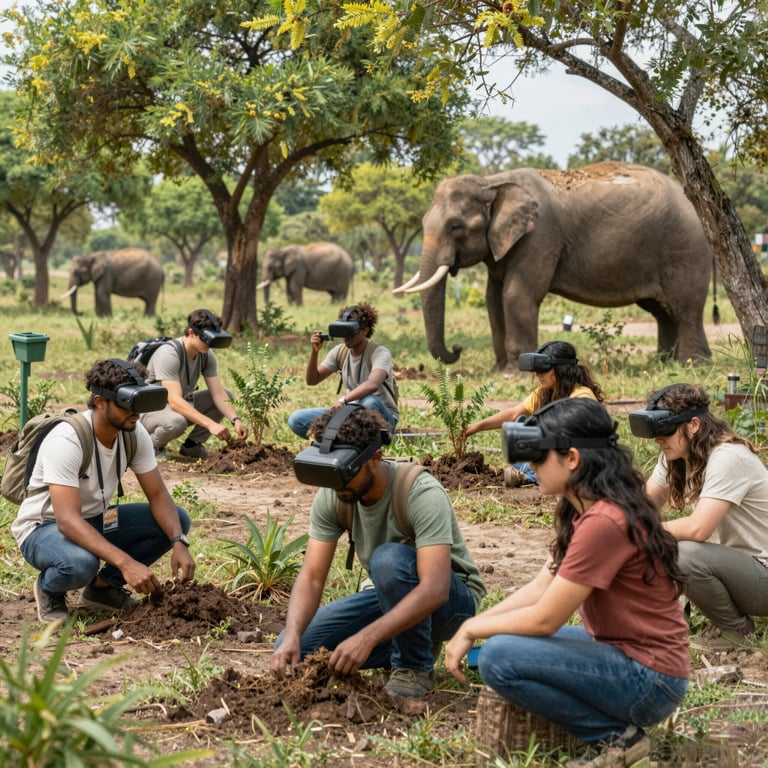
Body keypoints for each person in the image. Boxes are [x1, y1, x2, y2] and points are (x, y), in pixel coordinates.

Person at [445, 398, 689, 767]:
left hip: (650, 679)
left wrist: (472, 628)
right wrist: (476, 625)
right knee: (505, 641)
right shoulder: (590, 510)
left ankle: (616, 740)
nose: (531, 466)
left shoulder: (603, 522)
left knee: (499, 657)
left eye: (540, 457)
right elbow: (539, 588)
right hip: (638, 661)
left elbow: (545, 619)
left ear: (572, 458)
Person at [271, 406, 486, 699]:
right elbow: (311, 578)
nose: (338, 486)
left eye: (347, 472)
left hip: (450, 603)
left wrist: (367, 636)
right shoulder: (335, 494)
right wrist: (293, 635)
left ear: (375, 458)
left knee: (388, 559)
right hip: (389, 596)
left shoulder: (420, 491)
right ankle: (405, 643)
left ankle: (413, 667)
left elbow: (436, 589)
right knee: (299, 648)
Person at [12, 359, 196, 624]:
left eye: (139, 402)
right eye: (127, 402)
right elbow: (67, 520)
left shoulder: (133, 432)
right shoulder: (67, 439)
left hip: (95, 519)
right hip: (44, 527)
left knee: (176, 521)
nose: (135, 412)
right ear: (100, 401)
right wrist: (126, 563)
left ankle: (103, 590)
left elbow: (158, 495)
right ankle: (49, 589)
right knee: (80, 564)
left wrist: (179, 542)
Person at [635, 382, 768, 647]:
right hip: (740, 568)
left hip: (763, 571)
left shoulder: (727, 457)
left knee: (683, 553)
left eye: (666, 430)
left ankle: (738, 633)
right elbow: (641, 507)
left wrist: (638, 529)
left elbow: (698, 529)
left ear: (693, 424)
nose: (659, 439)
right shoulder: (675, 455)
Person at [464, 340, 605, 486]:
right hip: (555, 457)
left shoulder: (582, 397)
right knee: (520, 430)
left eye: (543, 370)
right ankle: (535, 473)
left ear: (560, 369)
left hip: (579, 460)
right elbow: (514, 414)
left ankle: (533, 475)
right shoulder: (546, 392)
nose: (538, 375)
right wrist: (477, 427)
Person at [140, 308, 248, 459]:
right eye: (206, 339)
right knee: (176, 422)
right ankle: (151, 446)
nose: (209, 344)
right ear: (191, 333)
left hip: (175, 406)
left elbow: (218, 393)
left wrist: (235, 420)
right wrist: (211, 425)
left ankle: (192, 445)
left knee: (226, 395)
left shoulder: (205, 354)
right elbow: (175, 401)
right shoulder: (169, 354)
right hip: (150, 411)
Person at [287, 302, 398, 439]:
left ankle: (375, 442)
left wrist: (343, 400)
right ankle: (342, 441)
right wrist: (314, 352)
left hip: (383, 419)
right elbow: (312, 380)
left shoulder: (379, 353)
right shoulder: (340, 352)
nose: (346, 337)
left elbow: (372, 385)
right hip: (349, 413)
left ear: (365, 330)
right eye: (343, 331)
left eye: (351, 331)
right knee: (297, 419)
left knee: (369, 402)